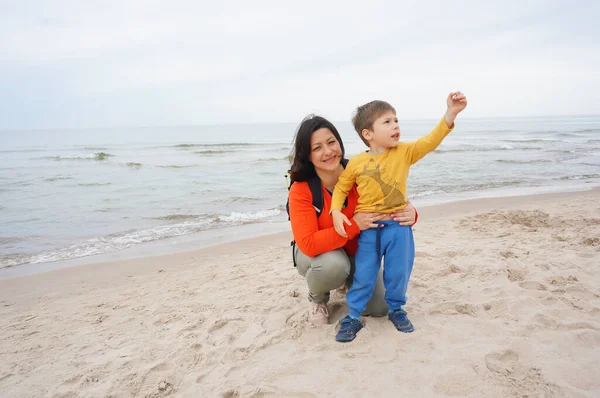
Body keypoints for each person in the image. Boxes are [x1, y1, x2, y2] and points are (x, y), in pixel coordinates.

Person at [331, 92, 468, 342]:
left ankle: (396, 309)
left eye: (396, 120)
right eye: (387, 122)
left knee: (398, 271)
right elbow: (341, 188)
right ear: (367, 134)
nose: (395, 126)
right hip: (370, 229)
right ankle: (353, 316)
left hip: (398, 226)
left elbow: (430, 141)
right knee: (364, 273)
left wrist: (450, 114)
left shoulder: (404, 152)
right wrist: (336, 211)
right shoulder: (357, 163)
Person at [288, 115, 418, 325]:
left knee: (380, 307)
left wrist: (412, 213)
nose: (328, 151)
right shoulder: (301, 189)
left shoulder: (361, 170)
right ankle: (318, 298)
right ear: (307, 155)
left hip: (358, 253)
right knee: (333, 266)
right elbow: (309, 244)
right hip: (316, 254)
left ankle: (346, 282)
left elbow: (393, 197)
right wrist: (355, 225)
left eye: (331, 142)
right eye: (317, 148)